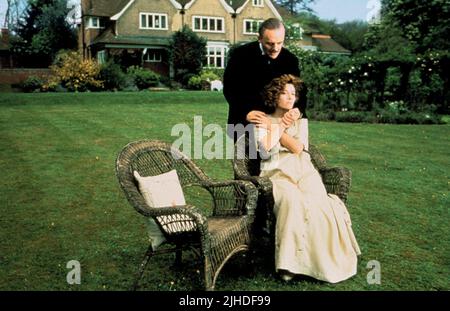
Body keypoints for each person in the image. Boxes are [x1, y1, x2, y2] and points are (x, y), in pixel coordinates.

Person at [254, 74, 361, 283]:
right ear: (274, 96)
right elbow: (264, 148)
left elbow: (297, 147)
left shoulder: (301, 122)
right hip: (277, 172)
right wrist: (281, 124)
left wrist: (277, 127)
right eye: (284, 93)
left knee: (320, 204)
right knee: (292, 204)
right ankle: (289, 264)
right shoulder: (261, 120)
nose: (289, 97)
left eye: (293, 94)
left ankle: (321, 261)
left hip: (304, 170)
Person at [223, 18, 306, 141]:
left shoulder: (291, 60)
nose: (276, 48)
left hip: (278, 125)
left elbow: (300, 91)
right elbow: (230, 89)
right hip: (244, 123)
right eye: (270, 43)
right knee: (244, 159)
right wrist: (245, 112)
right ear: (260, 38)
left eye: (280, 43)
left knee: (279, 159)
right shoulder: (240, 55)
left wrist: (298, 111)